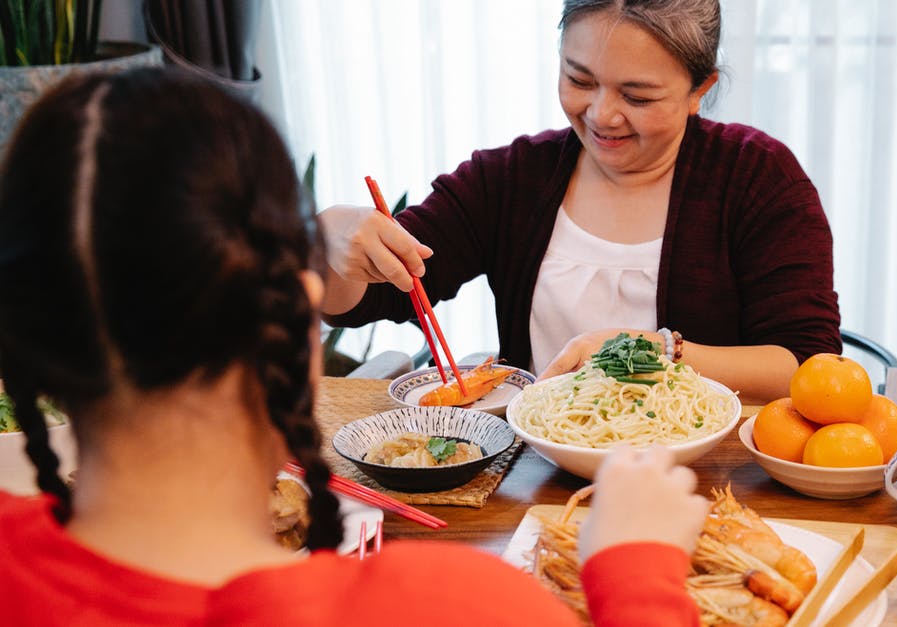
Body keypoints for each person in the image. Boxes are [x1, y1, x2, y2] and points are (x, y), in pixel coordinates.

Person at [0, 68, 710, 626]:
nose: (601, 113)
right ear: (299, 312)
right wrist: (635, 573)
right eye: (579, 79)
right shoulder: (456, 607)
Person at [320, 0, 841, 404]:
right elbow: (371, 296)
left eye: (637, 96)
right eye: (579, 80)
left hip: (707, 479)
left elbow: (807, 363)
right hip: (535, 475)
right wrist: (328, 241)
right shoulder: (512, 178)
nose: (601, 115)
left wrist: (648, 355)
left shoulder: (758, 179)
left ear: (698, 89)